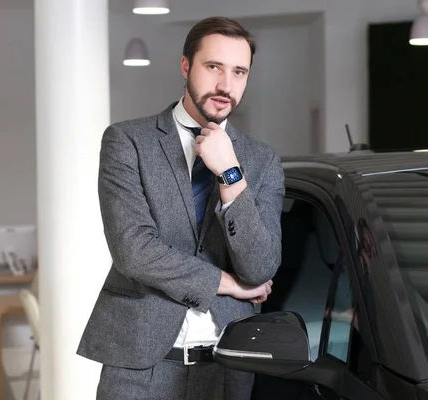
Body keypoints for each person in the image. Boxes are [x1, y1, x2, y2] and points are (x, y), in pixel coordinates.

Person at [77, 16, 285, 400]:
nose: (226, 85)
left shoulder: (261, 161)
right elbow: (134, 252)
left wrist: (230, 174)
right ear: (186, 66)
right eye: (214, 67)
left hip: (228, 369)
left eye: (239, 72)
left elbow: (261, 266)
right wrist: (232, 285)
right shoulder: (128, 142)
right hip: (140, 369)